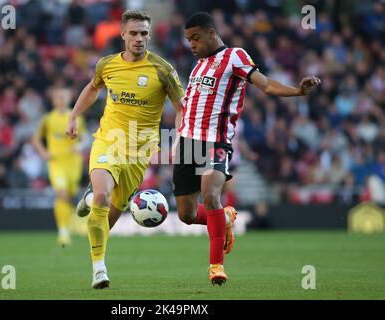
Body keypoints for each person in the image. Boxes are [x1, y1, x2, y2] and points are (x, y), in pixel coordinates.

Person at [172, 12, 321, 285]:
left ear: (211, 33)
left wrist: (297, 91)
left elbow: (265, 85)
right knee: (186, 214)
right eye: (187, 39)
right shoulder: (197, 67)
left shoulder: (234, 56)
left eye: (195, 38)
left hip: (215, 141)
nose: (191, 44)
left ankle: (216, 265)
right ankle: (225, 219)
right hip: (186, 144)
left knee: (211, 193)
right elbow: (188, 105)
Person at [65, 10, 184, 289]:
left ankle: (90, 199)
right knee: (104, 197)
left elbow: (181, 109)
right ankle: (99, 268)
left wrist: (179, 137)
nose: (139, 38)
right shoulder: (107, 65)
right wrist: (73, 116)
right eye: (133, 33)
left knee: (111, 215)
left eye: (144, 33)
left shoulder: (163, 70)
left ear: (150, 35)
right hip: (109, 140)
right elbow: (93, 88)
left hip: (140, 152)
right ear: (122, 35)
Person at [32, 86, 87, 247]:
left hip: (74, 162)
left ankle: (71, 226)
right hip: (56, 162)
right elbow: (36, 139)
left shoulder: (76, 117)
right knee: (61, 193)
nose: (61, 100)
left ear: (68, 99)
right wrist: (43, 152)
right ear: (53, 100)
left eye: (63, 97)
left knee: (69, 196)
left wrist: (80, 146)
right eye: (58, 97)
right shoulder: (48, 119)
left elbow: (85, 138)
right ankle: (63, 232)